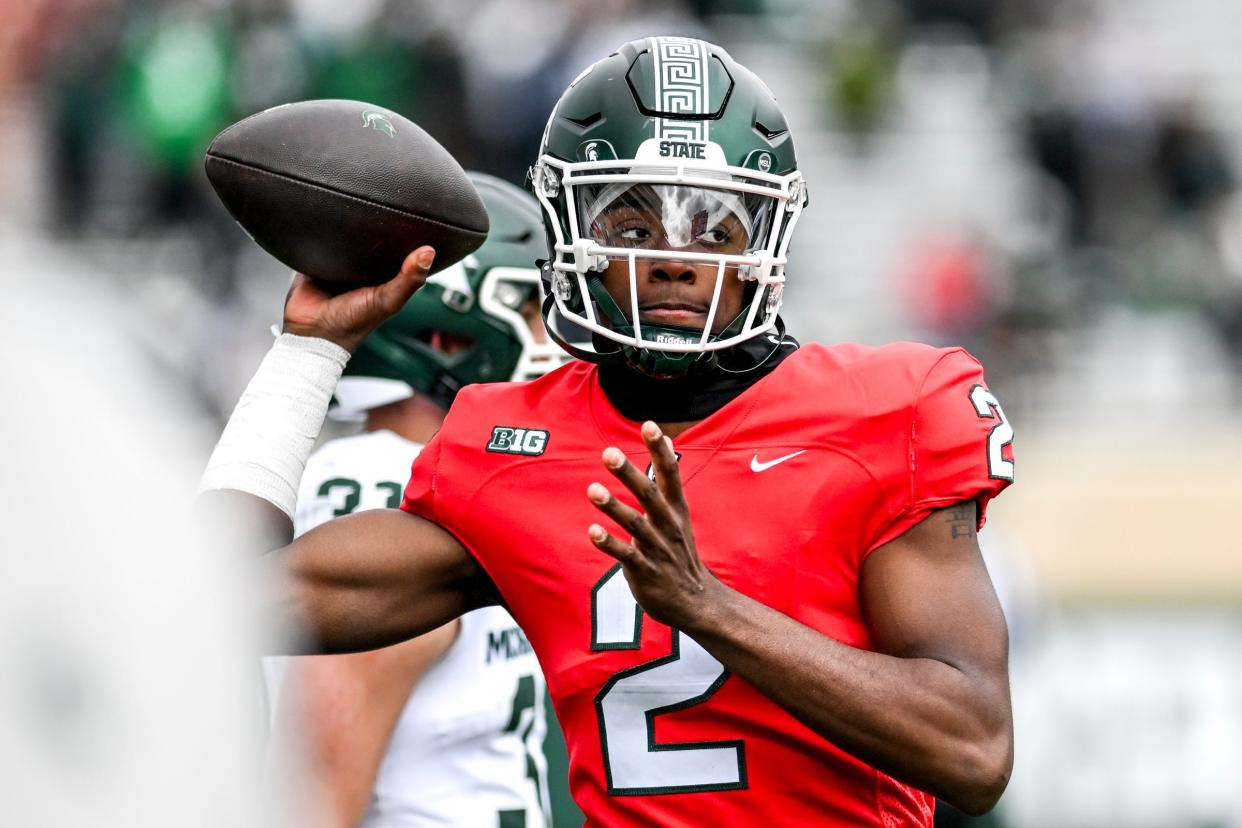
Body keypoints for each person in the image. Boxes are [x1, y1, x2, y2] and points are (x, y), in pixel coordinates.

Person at [201, 36, 1016, 827]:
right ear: (572, 235)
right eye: (633, 227)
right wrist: (310, 351)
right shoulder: (512, 446)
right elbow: (225, 596)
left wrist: (707, 608)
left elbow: (974, 749)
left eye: (713, 226)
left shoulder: (886, 412)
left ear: (766, 240)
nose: (673, 257)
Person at [263, 174, 571, 828]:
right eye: (530, 313)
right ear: (446, 338)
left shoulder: (459, 486)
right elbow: (311, 802)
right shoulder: (384, 490)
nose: (557, 347)